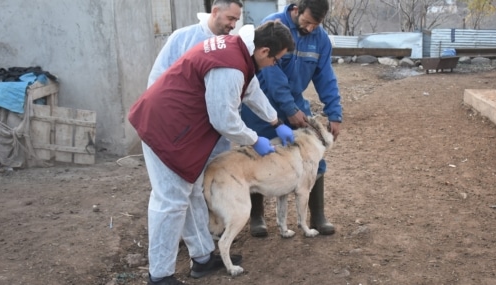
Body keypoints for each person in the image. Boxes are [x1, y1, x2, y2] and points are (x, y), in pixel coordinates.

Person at [129, 21, 295, 285]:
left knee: (192, 192)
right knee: (170, 201)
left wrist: (276, 122)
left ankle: (203, 258)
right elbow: (224, 119)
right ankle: (159, 275)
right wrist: (255, 140)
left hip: (180, 128)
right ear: (263, 51)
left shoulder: (240, 52)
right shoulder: (230, 65)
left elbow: (251, 91)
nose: (275, 64)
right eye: (276, 59)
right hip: (165, 127)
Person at [241, 0, 343, 237]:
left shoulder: (320, 39)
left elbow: (326, 76)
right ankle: (257, 217)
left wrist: (335, 113)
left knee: (313, 156)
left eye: (315, 25)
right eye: (306, 22)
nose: (309, 29)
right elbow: (271, 73)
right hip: (261, 101)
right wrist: (288, 109)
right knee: (258, 156)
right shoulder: (274, 26)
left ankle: (317, 215)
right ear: (296, 10)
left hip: (295, 101)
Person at [148, 0, 243, 87]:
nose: (233, 25)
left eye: (236, 20)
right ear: (215, 12)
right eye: (230, 18)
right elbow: (158, 76)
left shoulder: (231, 45)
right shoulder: (182, 37)